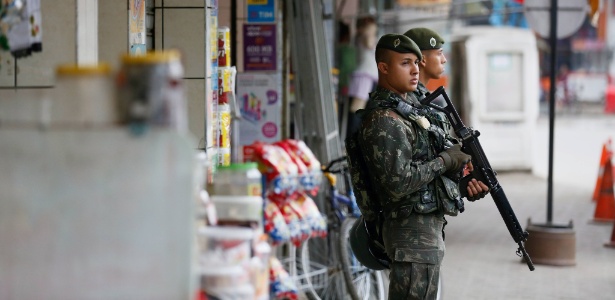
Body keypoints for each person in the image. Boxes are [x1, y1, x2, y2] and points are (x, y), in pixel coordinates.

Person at [345, 33, 489, 299]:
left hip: (421, 234)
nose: (414, 70)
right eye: (405, 63)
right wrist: (445, 160)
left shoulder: (407, 113)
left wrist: (461, 181)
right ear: (383, 67)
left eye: (415, 62)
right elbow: (398, 183)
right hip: (408, 235)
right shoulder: (384, 120)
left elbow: (425, 169)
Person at [346, 16, 379, 137]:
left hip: (366, 76)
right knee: (357, 108)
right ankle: (351, 138)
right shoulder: (365, 36)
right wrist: (371, 30)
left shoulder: (362, 36)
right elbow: (370, 43)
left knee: (360, 108)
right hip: (363, 76)